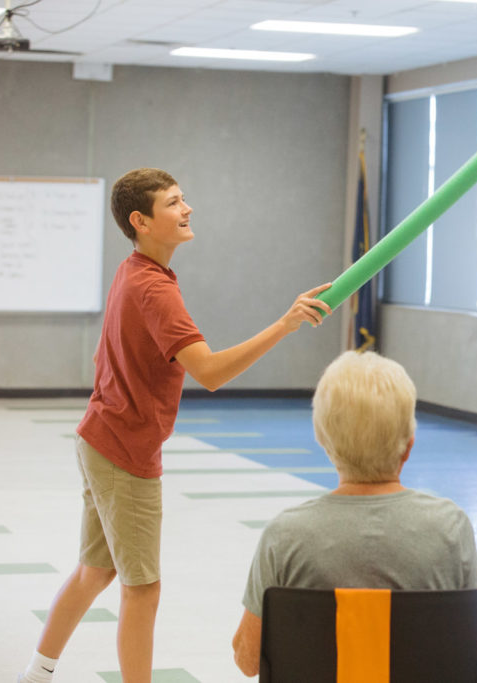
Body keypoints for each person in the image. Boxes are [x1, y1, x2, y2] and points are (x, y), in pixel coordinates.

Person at [18, 168, 334, 683]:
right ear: (140, 221)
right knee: (143, 588)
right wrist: (286, 323)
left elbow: (106, 355)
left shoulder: (135, 272)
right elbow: (209, 372)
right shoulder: (154, 289)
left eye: (184, 199)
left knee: (95, 571)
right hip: (123, 451)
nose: (187, 209)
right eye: (173, 203)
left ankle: (35, 674)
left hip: (99, 437)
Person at [232, 350, 477, 676]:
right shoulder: (451, 528)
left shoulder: (285, 536)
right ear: (409, 446)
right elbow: (469, 649)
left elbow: (249, 660)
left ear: (324, 441)